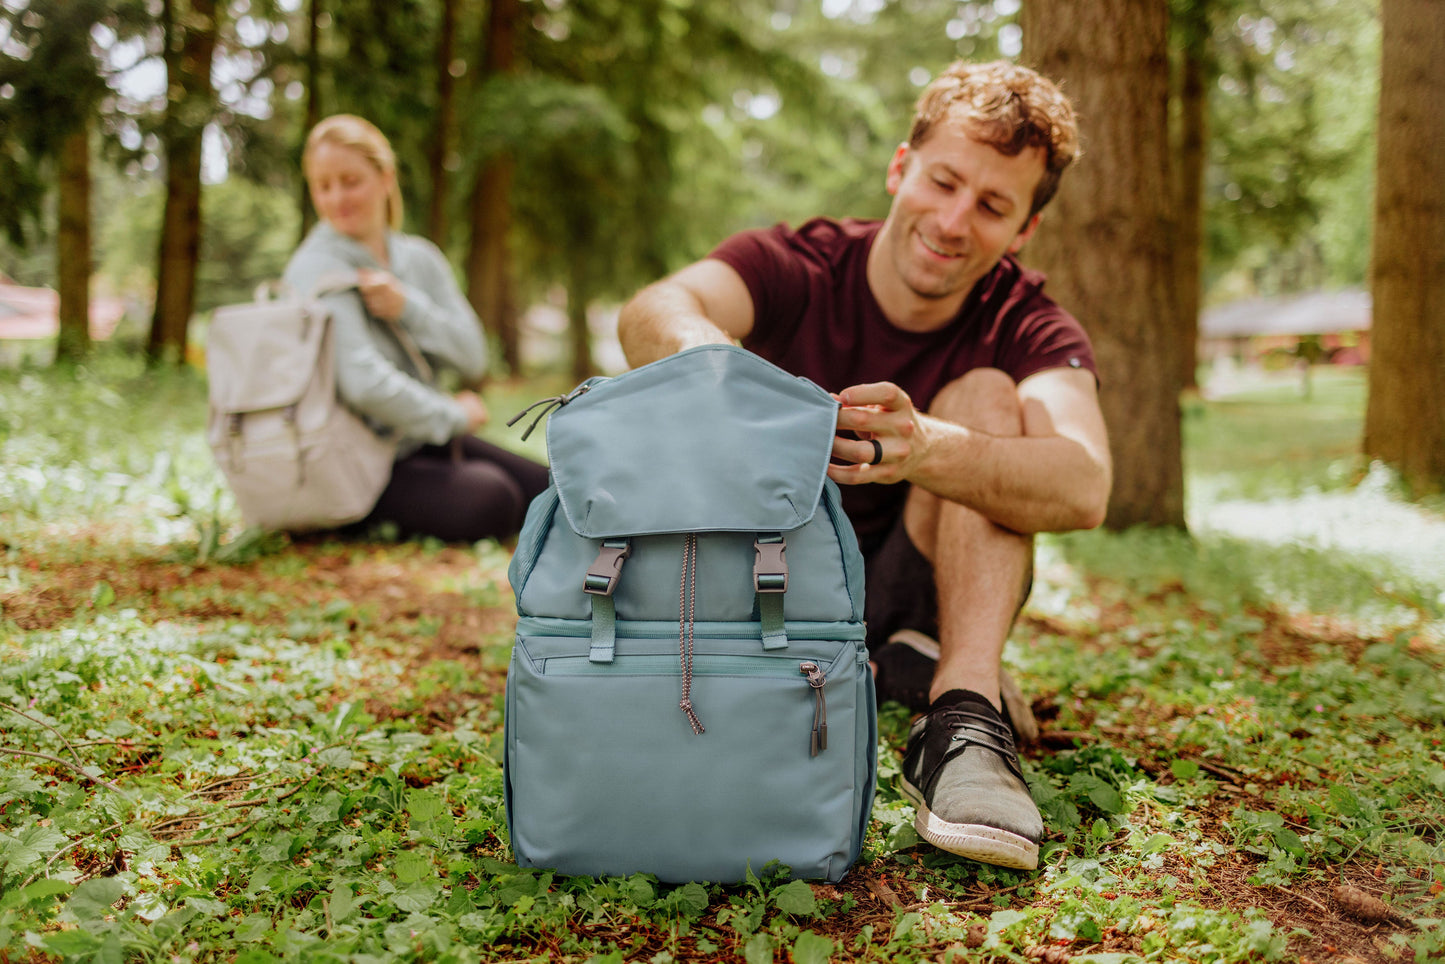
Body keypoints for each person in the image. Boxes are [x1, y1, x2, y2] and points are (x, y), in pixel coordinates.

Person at [616, 61, 1111, 871]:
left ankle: (962, 714)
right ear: (898, 168)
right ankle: (888, 664)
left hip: (918, 570)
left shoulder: (1026, 319)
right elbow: (649, 313)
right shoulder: (795, 262)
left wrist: (929, 448)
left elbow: (1084, 482)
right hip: (770, 587)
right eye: (942, 181)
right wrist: (721, 368)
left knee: (987, 396)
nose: (953, 221)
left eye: (991, 205)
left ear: (1022, 230)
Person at [283, 114, 549, 543]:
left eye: (350, 181)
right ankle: (352, 520)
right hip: (352, 460)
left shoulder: (420, 259)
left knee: (550, 488)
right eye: (323, 185)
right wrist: (453, 415)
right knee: (493, 498)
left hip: (415, 441)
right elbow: (362, 383)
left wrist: (408, 306)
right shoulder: (317, 268)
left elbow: (473, 356)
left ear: (386, 177)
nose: (336, 198)